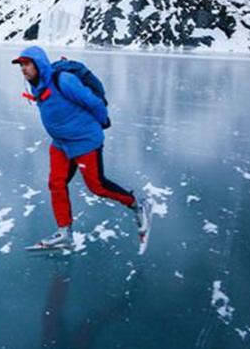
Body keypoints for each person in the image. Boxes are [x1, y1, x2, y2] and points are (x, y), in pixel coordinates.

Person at [12, 46, 150, 249]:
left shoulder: (63, 80)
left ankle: (137, 204)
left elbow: (93, 102)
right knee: (56, 184)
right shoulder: (37, 85)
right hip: (60, 144)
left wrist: (102, 123)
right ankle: (63, 233)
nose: (23, 69)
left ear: (39, 64)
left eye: (27, 64)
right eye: (21, 65)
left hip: (84, 141)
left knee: (97, 186)